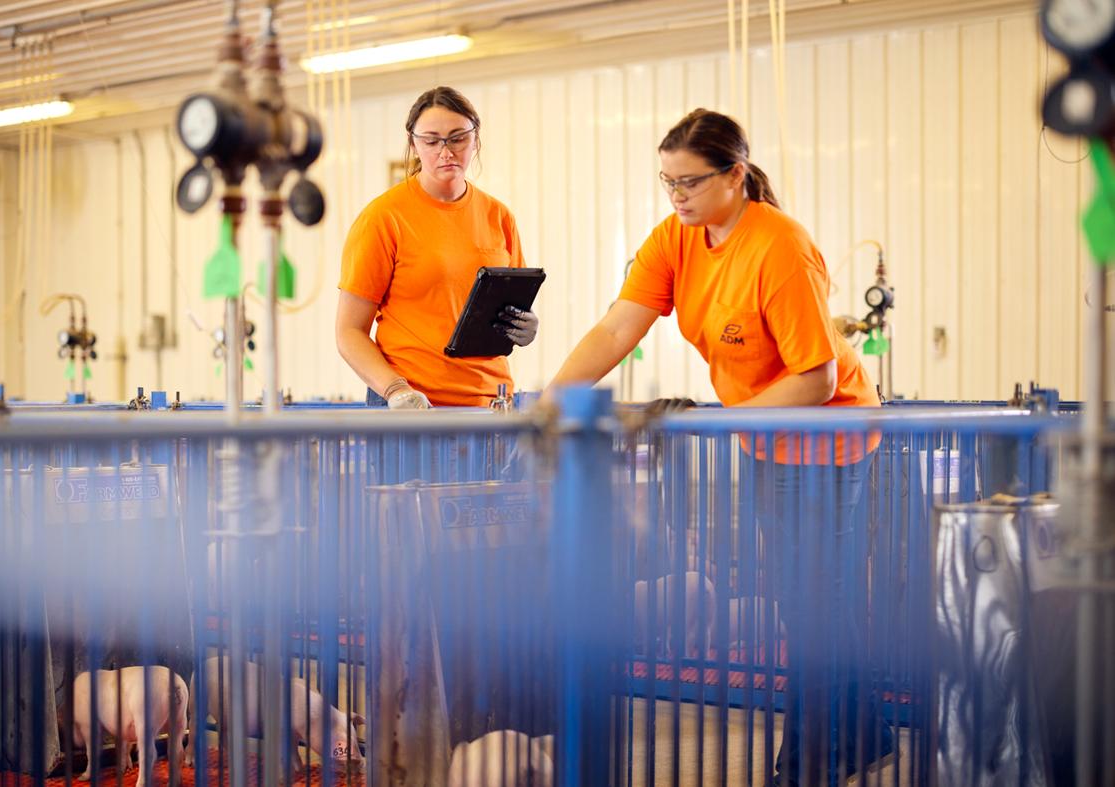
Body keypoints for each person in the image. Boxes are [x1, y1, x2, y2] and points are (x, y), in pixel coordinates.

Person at [544, 109, 889, 786]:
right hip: (765, 434)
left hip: (829, 433)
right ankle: (864, 734)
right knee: (803, 599)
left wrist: (721, 423)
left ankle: (812, 759)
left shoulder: (779, 245)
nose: (676, 196)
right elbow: (618, 328)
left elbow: (815, 377)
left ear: (735, 175)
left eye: (690, 182)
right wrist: (552, 400)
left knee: (817, 598)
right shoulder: (679, 237)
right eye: (667, 182)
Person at [336, 86, 538, 408]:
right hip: (412, 405)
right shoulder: (384, 218)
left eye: (458, 138)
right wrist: (394, 390)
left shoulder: (498, 217)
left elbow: (507, 305)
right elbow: (349, 331)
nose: (446, 152)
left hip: (489, 402)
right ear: (413, 143)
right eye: (431, 141)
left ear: (476, 138)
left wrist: (523, 325)